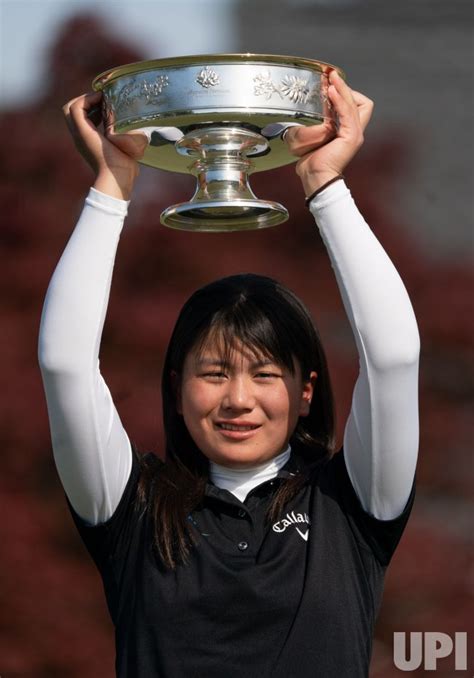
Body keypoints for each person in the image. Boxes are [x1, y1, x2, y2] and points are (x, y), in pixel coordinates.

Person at [38, 70, 420, 678]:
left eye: (265, 374)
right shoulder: (131, 508)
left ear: (305, 393)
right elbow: (63, 363)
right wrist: (112, 184)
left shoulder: (351, 505)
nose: (237, 399)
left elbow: (395, 357)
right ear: (177, 388)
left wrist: (325, 183)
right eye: (213, 373)